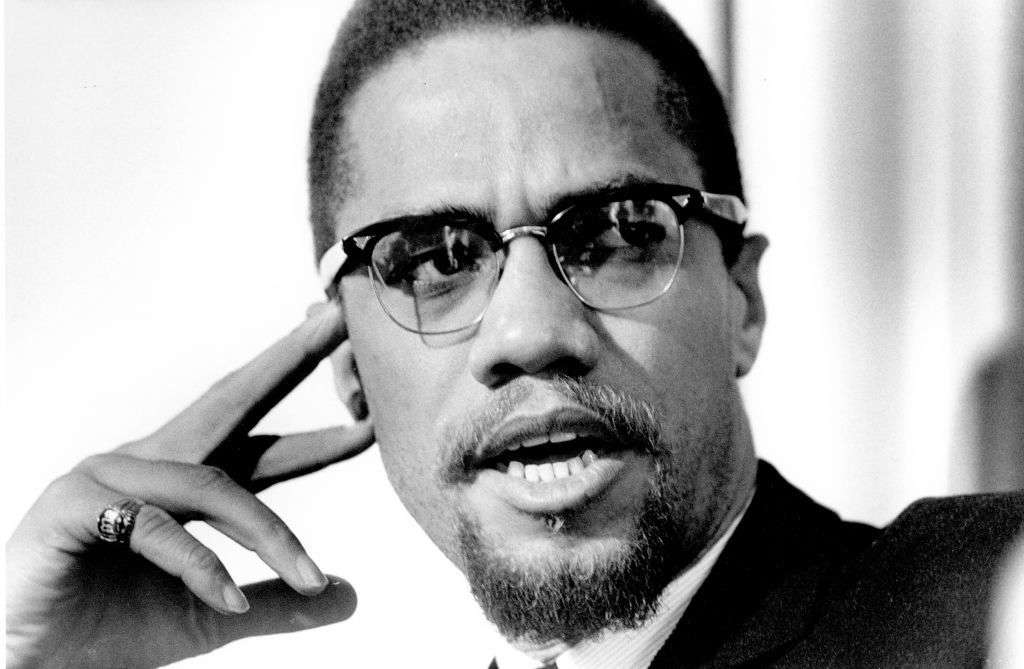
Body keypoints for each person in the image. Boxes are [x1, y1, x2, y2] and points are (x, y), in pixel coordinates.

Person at [6, 0, 1023, 667]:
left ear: (742, 303)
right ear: (350, 365)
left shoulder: (981, 601)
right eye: (432, 258)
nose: (531, 331)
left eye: (620, 232)